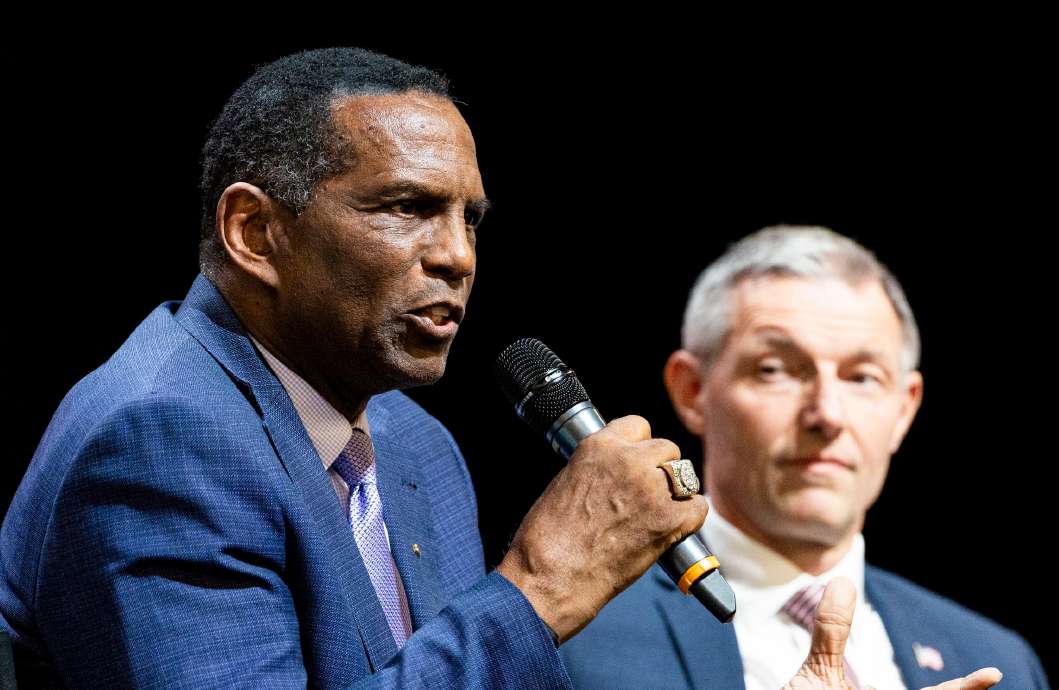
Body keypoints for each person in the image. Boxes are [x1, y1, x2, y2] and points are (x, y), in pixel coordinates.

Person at [0, 48, 709, 688]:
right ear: (255, 232)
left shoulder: (415, 443)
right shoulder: (162, 440)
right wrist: (541, 589)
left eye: (470, 219)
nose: (458, 256)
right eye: (408, 207)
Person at [560, 227, 1050, 689]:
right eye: (776, 370)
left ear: (905, 408)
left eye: (862, 377)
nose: (827, 414)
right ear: (692, 392)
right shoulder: (575, 630)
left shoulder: (996, 660)